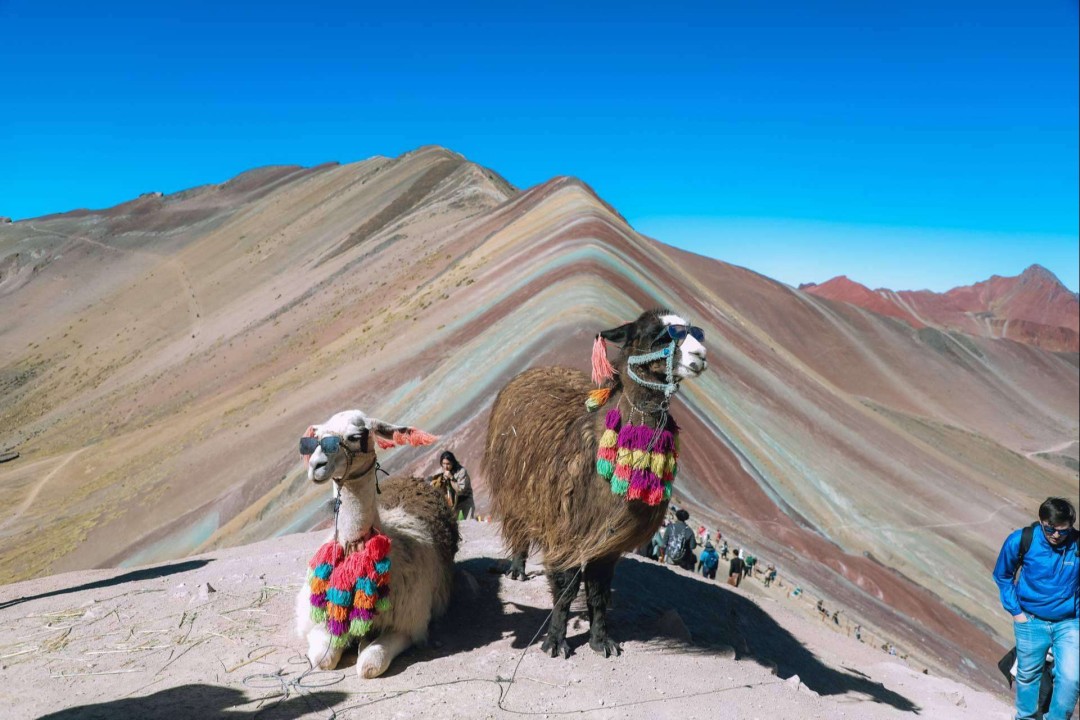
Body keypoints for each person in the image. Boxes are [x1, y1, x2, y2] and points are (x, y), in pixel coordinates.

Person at [992, 497, 1079, 720]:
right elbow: (1002, 575)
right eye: (1050, 529)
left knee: (1070, 678)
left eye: (1063, 530)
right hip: (1030, 620)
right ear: (1041, 521)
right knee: (1027, 677)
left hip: (1069, 623)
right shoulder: (1022, 540)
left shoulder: (1076, 545)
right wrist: (1017, 613)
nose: (1056, 535)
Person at [430, 451, 474, 519]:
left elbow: (460, 490)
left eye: (448, 464)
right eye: (443, 463)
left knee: (468, 524)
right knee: (453, 524)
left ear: (452, 463)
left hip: (465, 500)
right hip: (453, 502)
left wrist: (451, 478)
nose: (445, 467)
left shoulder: (461, 471)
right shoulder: (442, 471)